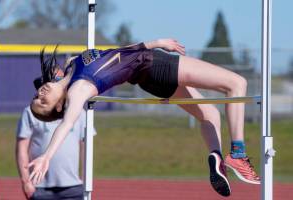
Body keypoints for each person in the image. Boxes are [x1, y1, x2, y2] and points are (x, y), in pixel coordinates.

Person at [29, 38, 260, 197]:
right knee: (237, 83)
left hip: (147, 77)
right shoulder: (79, 90)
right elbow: (67, 124)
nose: (40, 95)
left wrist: (153, 43)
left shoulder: (71, 65)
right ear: (60, 106)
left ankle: (216, 156)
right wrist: (47, 156)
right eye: (43, 103)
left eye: (36, 96)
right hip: (156, 65)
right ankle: (238, 154)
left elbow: (115, 54)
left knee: (209, 113)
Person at [16, 70, 88, 200]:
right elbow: (22, 148)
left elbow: (85, 146)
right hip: (40, 186)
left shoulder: (79, 111)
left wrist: (85, 177)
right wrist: (26, 181)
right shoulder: (31, 111)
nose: (42, 91)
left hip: (73, 185)